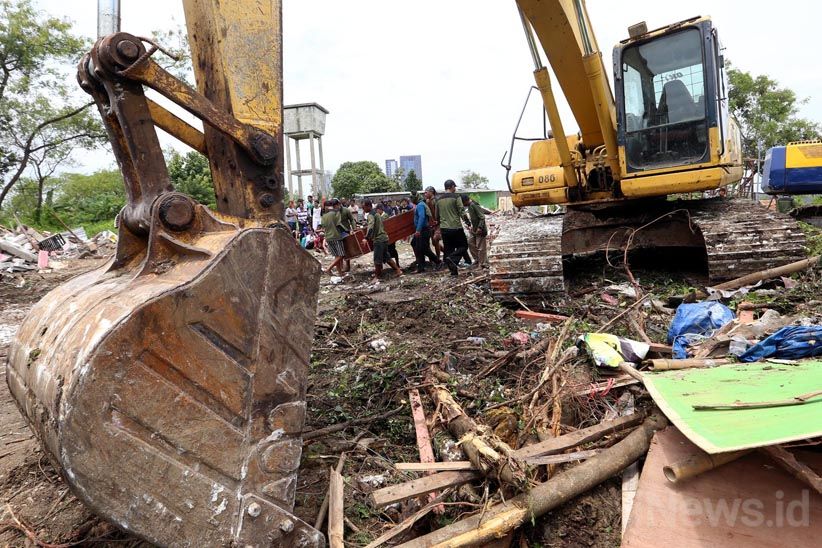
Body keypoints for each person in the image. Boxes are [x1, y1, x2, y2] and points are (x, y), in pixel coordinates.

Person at [362, 199, 402, 279]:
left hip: (379, 239)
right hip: (384, 238)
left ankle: (377, 276)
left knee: (377, 259)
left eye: (363, 207)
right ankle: (398, 271)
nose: (363, 209)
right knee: (386, 257)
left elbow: (371, 227)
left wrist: (366, 238)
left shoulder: (371, 215)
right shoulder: (376, 213)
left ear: (368, 206)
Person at [437, 180, 469, 276]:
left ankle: (453, 273)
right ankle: (452, 258)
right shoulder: (456, 197)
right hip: (455, 227)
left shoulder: (439, 199)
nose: (455, 189)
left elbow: (436, 215)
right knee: (463, 246)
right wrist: (467, 221)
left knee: (449, 249)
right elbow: (461, 211)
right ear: (451, 187)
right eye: (454, 187)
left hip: (444, 229)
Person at [411, 193, 440, 273]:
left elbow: (422, 217)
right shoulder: (421, 204)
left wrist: (418, 230)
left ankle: (438, 261)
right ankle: (421, 266)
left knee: (423, 248)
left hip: (423, 230)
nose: (411, 200)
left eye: (412, 198)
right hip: (422, 229)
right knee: (415, 244)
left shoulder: (420, 205)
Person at [462, 194, 488, 268]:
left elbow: (482, 217)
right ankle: (477, 260)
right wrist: (469, 225)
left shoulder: (474, 205)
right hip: (474, 229)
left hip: (480, 229)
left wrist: (480, 227)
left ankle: (482, 264)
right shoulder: (469, 206)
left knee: (481, 247)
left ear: (465, 201)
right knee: (471, 243)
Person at [321, 199, 346, 276]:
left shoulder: (323, 216)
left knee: (336, 256)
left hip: (328, 237)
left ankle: (340, 272)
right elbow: (339, 224)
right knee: (341, 255)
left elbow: (323, 227)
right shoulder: (335, 213)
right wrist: (347, 231)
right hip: (336, 236)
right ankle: (329, 268)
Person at [425, 186, 444, 261]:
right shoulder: (428, 201)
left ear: (431, 192)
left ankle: (438, 259)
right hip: (432, 223)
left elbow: (437, 212)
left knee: (435, 240)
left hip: (437, 223)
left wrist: (437, 221)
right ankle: (446, 253)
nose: (425, 194)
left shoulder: (435, 200)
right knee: (434, 242)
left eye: (426, 192)